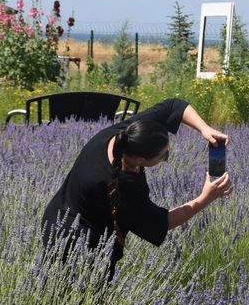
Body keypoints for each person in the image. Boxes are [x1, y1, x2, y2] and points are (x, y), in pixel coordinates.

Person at [41, 98, 231, 280]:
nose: (166, 158)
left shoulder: (128, 134)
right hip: (78, 245)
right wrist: (206, 198)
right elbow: (162, 222)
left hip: (57, 216)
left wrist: (204, 128)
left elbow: (174, 105)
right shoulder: (124, 186)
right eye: (163, 156)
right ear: (140, 160)